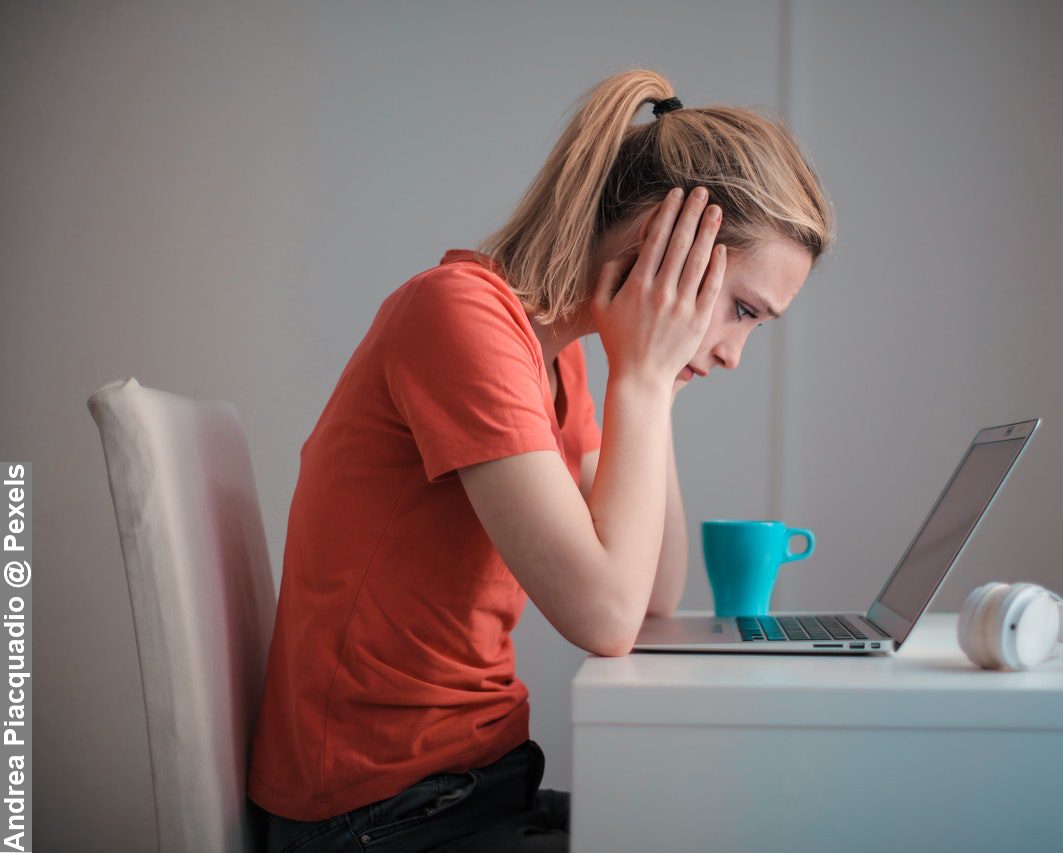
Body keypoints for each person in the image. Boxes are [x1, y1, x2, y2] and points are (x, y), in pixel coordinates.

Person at [246, 68, 835, 852]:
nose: (735, 352)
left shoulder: (557, 361)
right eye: (743, 310)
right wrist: (647, 379)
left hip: (475, 783)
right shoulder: (460, 318)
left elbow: (653, 590)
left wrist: (653, 378)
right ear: (667, 245)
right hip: (377, 815)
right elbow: (606, 618)